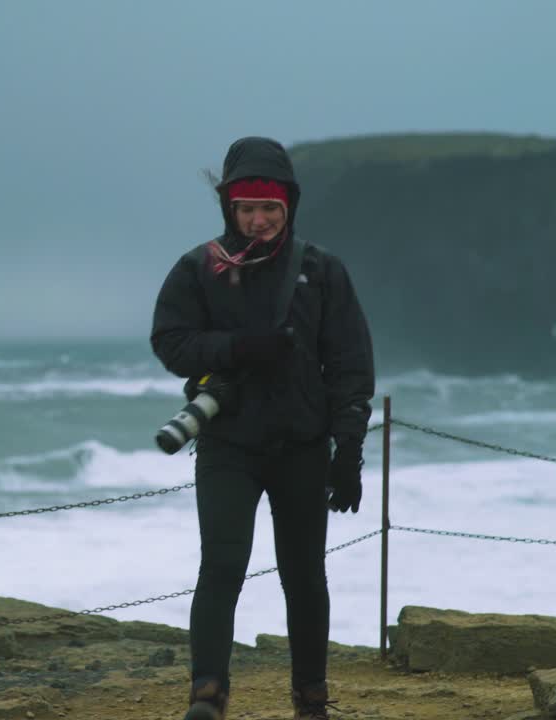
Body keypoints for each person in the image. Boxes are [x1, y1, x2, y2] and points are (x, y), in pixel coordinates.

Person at [150, 136, 375, 720]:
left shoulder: (322, 271)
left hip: (302, 447)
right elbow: (169, 342)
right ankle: (208, 695)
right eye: (247, 207)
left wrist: (348, 450)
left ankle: (311, 699)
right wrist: (240, 348)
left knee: (305, 578)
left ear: (288, 207)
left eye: (270, 209)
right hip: (228, 446)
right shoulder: (198, 268)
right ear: (229, 206)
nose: (258, 219)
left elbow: (351, 365)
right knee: (221, 568)